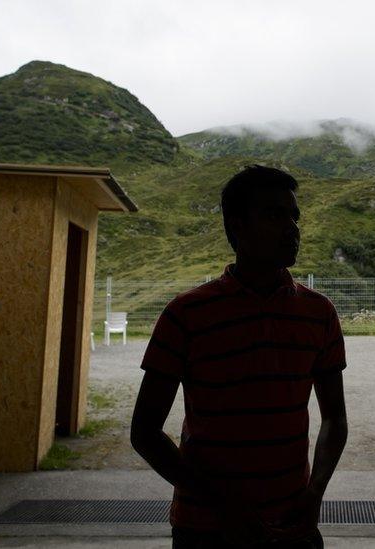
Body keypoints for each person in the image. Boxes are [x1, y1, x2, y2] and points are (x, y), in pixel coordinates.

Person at [131, 165, 349, 548]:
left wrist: (315, 493)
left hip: (293, 525)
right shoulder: (185, 315)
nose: (292, 228)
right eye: (274, 215)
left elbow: (335, 417)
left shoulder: (320, 313)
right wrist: (222, 506)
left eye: (293, 216)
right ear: (236, 228)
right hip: (206, 530)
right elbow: (144, 433)